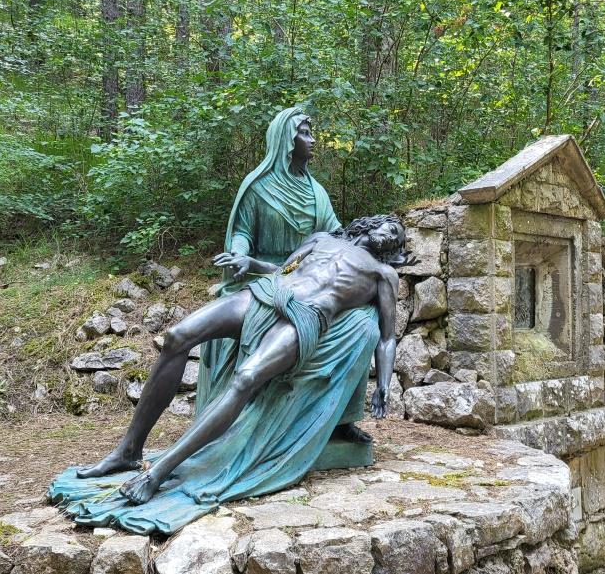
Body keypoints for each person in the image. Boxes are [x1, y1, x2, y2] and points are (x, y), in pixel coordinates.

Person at [48, 216, 408, 534]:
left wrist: (384, 384)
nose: (392, 236)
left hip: (305, 318)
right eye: (391, 227)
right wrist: (250, 263)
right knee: (177, 337)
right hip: (267, 294)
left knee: (246, 379)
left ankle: (158, 472)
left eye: (398, 238)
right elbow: (283, 270)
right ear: (370, 224)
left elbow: (387, 337)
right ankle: (128, 450)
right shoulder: (321, 239)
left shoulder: (383, 275)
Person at [199, 106, 376, 445]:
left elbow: (336, 236)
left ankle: (340, 418)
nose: (313, 140)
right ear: (285, 141)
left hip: (309, 278)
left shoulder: (316, 192)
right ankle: (237, 424)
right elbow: (242, 232)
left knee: (365, 322)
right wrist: (239, 255)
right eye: (305, 134)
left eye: (310, 133)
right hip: (261, 275)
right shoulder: (258, 186)